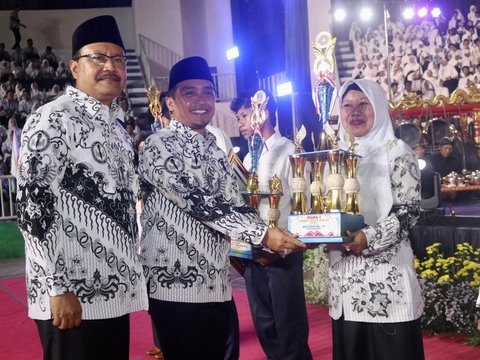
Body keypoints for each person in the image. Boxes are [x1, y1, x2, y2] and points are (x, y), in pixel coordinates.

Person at [139, 56, 305, 360]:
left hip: (216, 286)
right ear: (170, 103)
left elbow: (236, 206)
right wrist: (265, 236)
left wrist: (263, 246)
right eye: (189, 92)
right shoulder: (158, 146)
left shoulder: (215, 151)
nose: (201, 100)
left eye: (207, 92)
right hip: (176, 290)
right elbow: (200, 202)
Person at [15, 15, 148, 360]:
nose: (110, 66)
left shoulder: (117, 129)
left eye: (118, 59)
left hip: (113, 296)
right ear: (75, 67)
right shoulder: (52, 118)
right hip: (71, 300)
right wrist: (58, 288)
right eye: (99, 57)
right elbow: (33, 209)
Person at [329, 79, 425, 360]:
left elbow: (407, 213)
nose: (354, 112)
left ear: (379, 108)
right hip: (344, 290)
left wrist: (366, 238)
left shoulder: (397, 152)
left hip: (386, 286)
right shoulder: (336, 156)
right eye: (347, 106)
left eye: (363, 104)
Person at [230, 91, 312, 360]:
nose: (241, 123)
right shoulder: (249, 159)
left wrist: (286, 245)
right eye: (239, 117)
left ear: (262, 112)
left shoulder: (289, 150)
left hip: (282, 252)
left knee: (290, 328)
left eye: (244, 115)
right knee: (265, 325)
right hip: (253, 250)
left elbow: (304, 202)